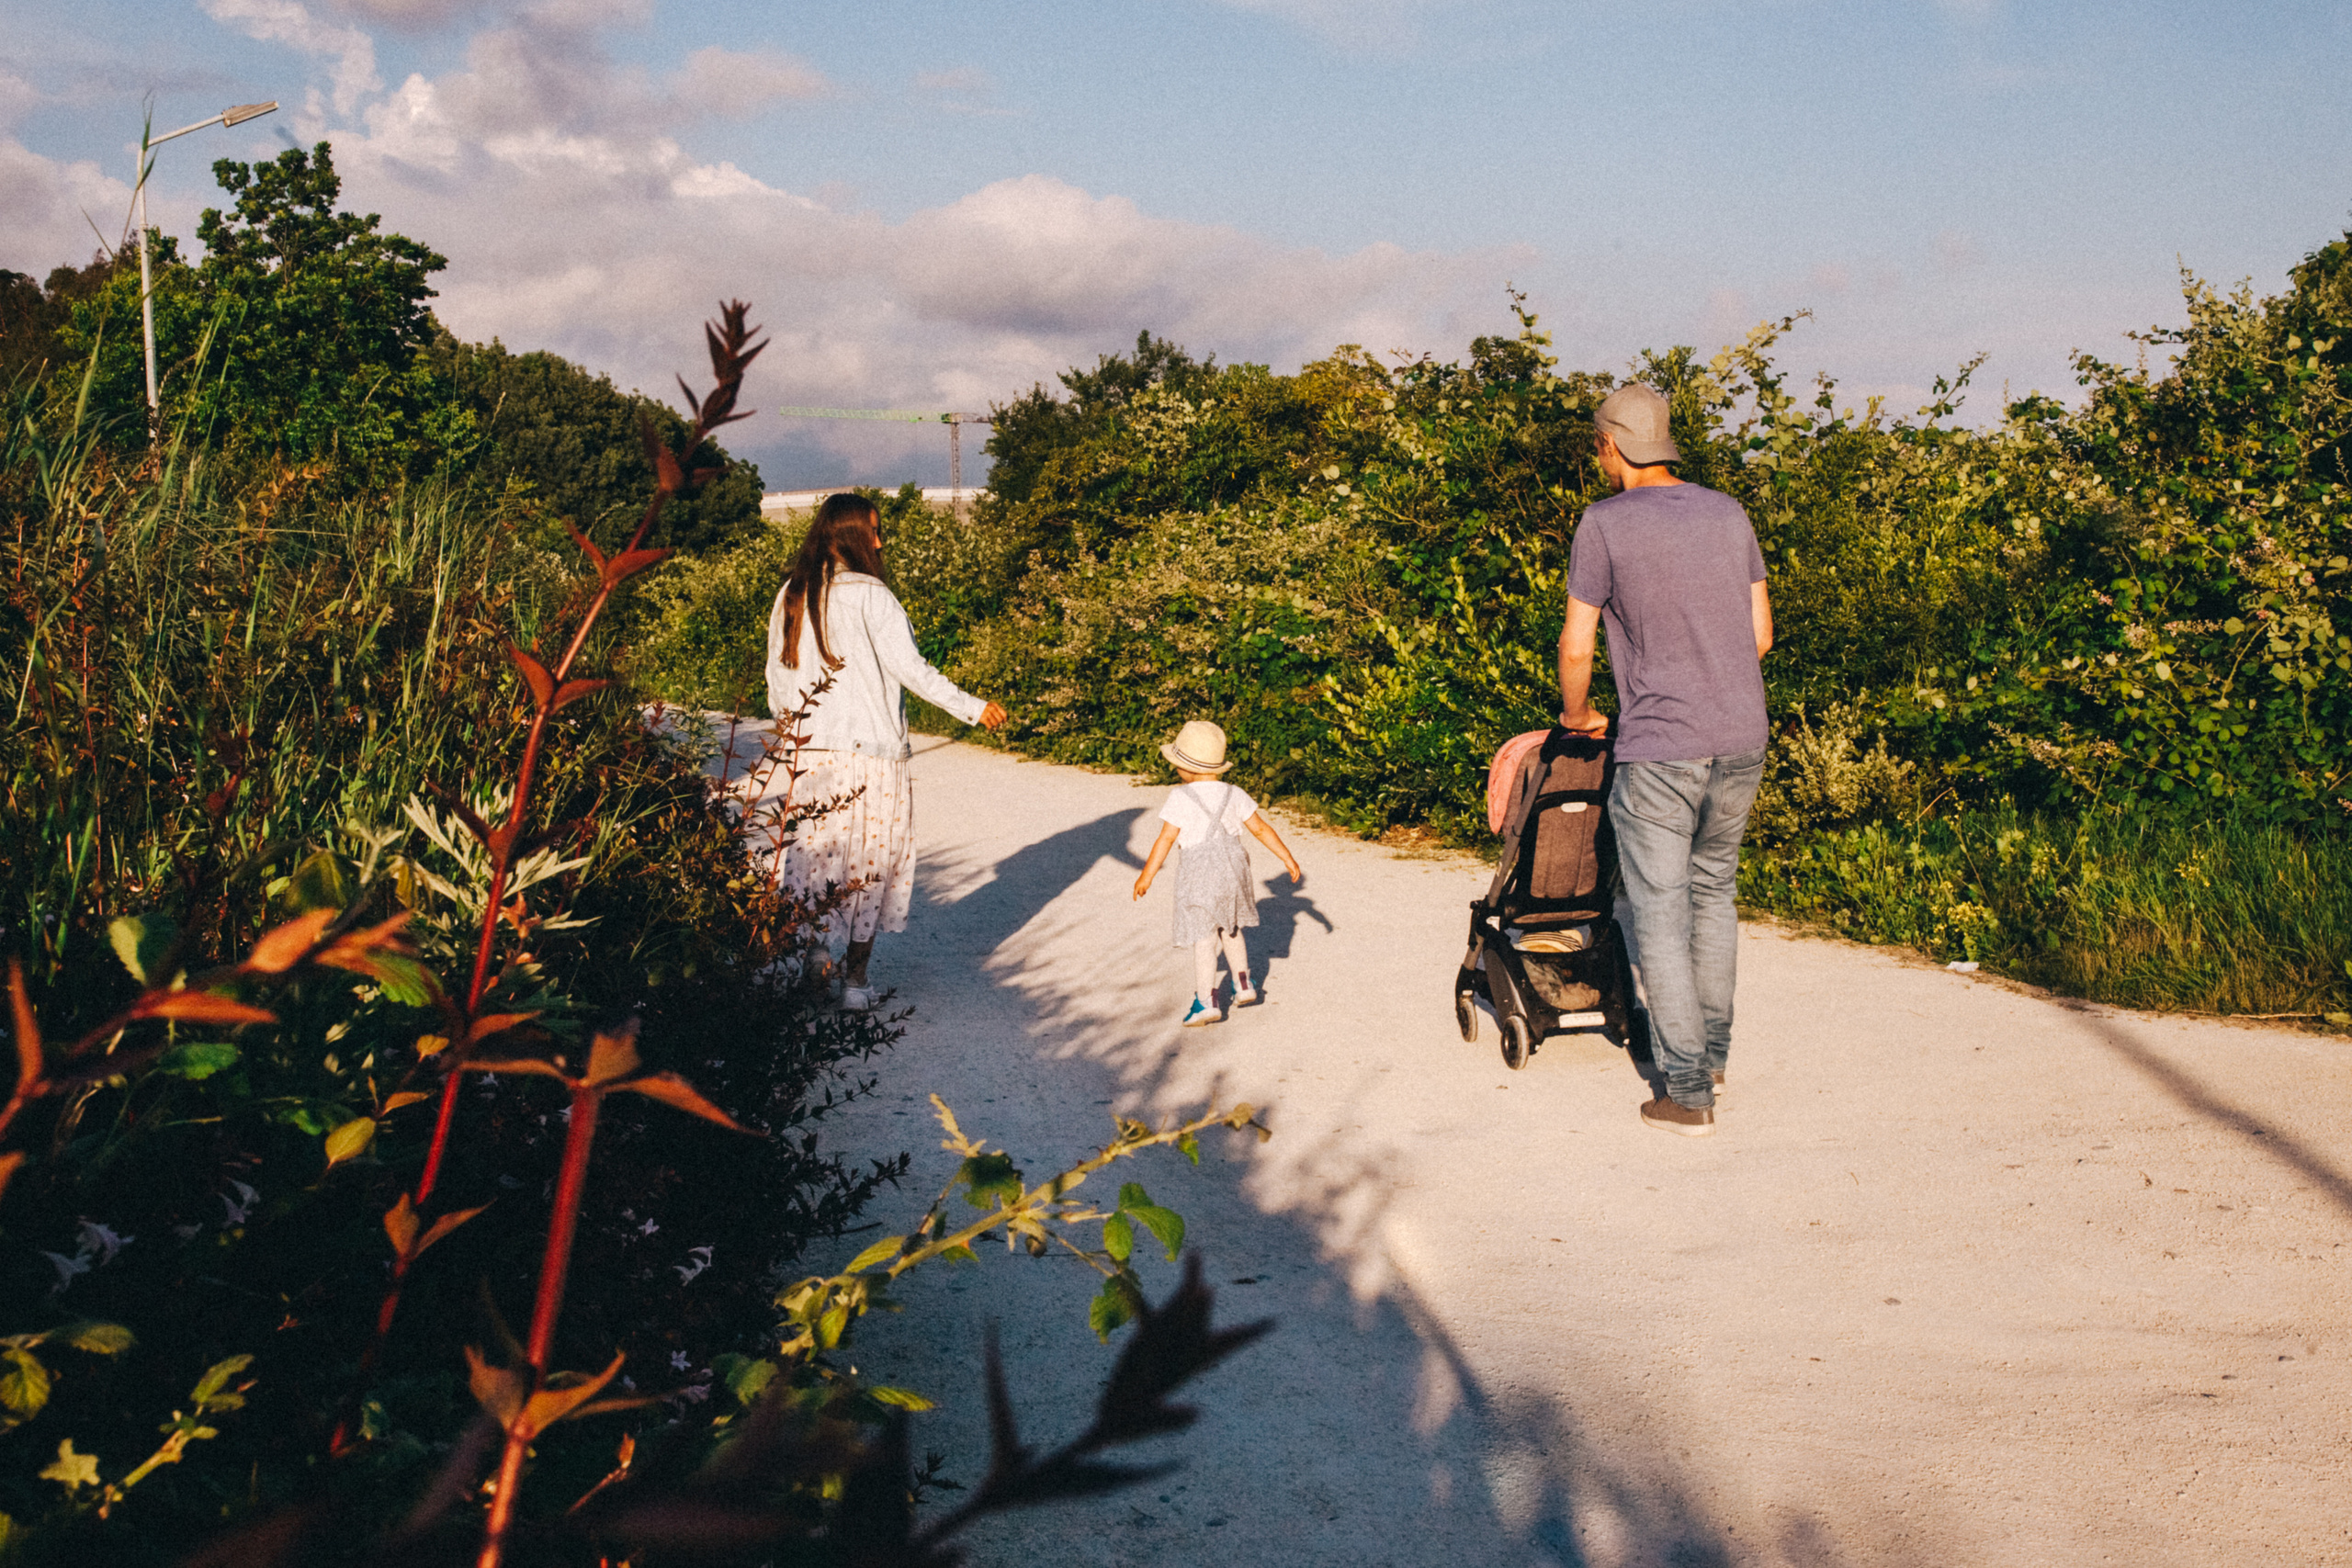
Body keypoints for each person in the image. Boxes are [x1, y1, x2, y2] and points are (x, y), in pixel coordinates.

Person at [1556, 384, 1772, 1137]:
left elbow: (1578, 641)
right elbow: (1761, 635)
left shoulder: (1603, 524)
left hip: (1661, 746)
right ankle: (1711, 1055)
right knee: (1714, 893)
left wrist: (1578, 715)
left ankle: (1686, 1092)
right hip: (1742, 734)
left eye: (1597, 446)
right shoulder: (1727, 511)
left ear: (1612, 443)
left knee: (1659, 909)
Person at [764, 492, 1009, 1010]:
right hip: (874, 757)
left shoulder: (792, 592)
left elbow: (777, 678)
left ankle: (814, 961)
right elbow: (912, 670)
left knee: (818, 862)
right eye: (874, 530)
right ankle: (855, 983)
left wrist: (793, 738)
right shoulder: (873, 596)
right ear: (852, 535)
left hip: (812, 757)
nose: (880, 540)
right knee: (871, 866)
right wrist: (972, 706)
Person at [1131, 719, 1305, 1028]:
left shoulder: (1180, 797)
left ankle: (1206, 1001)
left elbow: (1166, 839)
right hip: (1233, 870)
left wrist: (1147, 875)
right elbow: (1261, 829)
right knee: (1232, 927)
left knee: (1204, 936)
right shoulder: (1234, 793)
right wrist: (1286, 857)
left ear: (1187, 768)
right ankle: (1243, 984)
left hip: (1200, 873)